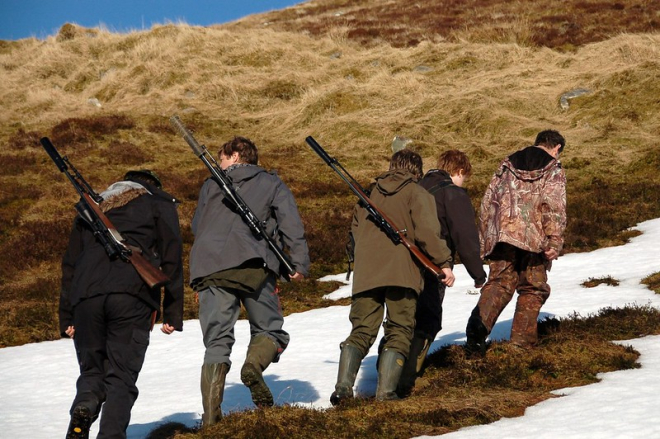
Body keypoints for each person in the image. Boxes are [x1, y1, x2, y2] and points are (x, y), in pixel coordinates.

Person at [189, 136, 310, 426]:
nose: (219, 163)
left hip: (209, 269)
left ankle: (210, 420)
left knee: (217, 343)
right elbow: (291, 224)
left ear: (233, 155)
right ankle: (252, 367)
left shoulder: (210, 184)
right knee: (271, 330)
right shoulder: (272, 183)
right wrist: (299, 263)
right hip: (254, 265)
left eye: (221, 158)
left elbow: (196, 226)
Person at [61, 169, 184, 439]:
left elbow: (70, 264)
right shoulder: (158, 202)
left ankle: (85, 405)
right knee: (121, 376)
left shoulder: (91, 207)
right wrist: (172, 312)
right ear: (153, 187)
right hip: (132, 295)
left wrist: (66, 315)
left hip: (86, 297)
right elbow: (172, 259)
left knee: (93, 370)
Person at [331, 149, 455, 406]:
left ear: (391, 166)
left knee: (362, 330)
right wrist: (444, 263)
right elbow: (428, 234)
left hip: (366, 274)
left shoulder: (367, 194)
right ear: (417, 172)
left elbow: (355, 233)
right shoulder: (417, 193)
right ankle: (386, 393)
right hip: (402, 273)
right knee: (399, 330)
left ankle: (343, 389)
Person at [466, 129, 567, 354]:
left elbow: (488, 200)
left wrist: (488, 236)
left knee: (500, 283)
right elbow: (553, 206)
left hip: (503, 235)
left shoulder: (507, 164)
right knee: (533, 288)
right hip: (534, 238)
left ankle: (477, 329)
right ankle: (522, 345)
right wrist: (554, 241)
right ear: (557, 148)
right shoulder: (553, 168)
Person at [396, 149, 487, 397]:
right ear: (458, 172)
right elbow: (465, 237)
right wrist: (478, 274)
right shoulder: (453, 194)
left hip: (402, 264)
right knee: (428, 319)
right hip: (433, 266)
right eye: (464, 177)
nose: (463, 182)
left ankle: (389, 369)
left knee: (403, 319)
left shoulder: (414, 186)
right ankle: (405, 380)